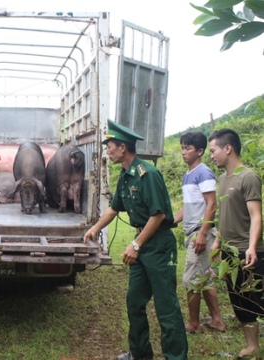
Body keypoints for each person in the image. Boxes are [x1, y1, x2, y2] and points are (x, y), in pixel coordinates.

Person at [84, 120, 188, 360]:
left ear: (123, 148)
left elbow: (159, 214)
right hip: (141, 245)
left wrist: (136, 244)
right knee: (135, 303)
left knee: (166, 308)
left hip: (158, 245)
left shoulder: (148, 174)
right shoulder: (126, 175)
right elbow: (114, 208)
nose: (107, 151)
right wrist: (95, 228)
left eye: (110, 146)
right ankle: (140, 355)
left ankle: (176, 357)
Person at [209, 128, 264, 359]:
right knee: (240, 301)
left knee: (258, 299)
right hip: (229, 251)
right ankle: (252, 346)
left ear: (228, 148)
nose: (211, 155)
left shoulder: (248, 177)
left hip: (248, 251)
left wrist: (251, 247)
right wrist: (218, 242)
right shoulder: (222, 179)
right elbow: (225, 215)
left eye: (213, 150)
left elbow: (256, 216)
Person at [173, 131, 226, 334]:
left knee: (191, 280)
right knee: (204, 278)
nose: (183, 152)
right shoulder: (188, 175)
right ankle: (217, 320)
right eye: (182, 148)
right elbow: (188, 207)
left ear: (200, 151)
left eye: (188, 148)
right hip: (193, 232)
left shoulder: (203, 173)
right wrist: (170, 221)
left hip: (199, 233)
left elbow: (211, 204)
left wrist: (203, 234)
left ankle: (193, 324)